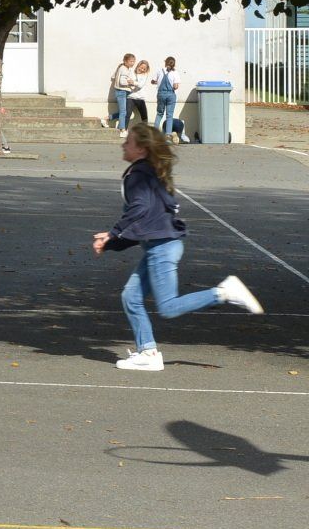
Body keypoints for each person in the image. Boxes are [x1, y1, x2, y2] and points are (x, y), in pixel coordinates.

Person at [97, 122, 262, 370]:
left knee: (169, 307)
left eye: (128, 141)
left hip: (162, 248)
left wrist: (113, 233)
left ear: (141, 149)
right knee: (131, 296)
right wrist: (111, 243)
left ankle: (224, 292)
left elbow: (139, 210)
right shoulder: (149, 172)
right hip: (160, 245)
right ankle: (149, 354)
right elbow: (146, 223)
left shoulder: (138, 176)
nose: (123, 144)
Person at [155, 56, 183, 137]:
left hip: (161, 94)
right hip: (170, 95)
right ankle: (168, 134)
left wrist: (156, 82)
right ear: (174, 64)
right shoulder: (175, 73)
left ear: (165, 62)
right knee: (169, 115)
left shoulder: (159, 71)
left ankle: (154, 133)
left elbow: (153, 81)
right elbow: (175, 87)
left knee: (159, 113)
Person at [110, 52, 137, 132]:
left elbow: (113, 77)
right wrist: (131, 82)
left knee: (123, 111)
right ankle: (122, 129)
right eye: (131, 61)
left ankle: (107, 118)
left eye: (133, 61)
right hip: (122, 92)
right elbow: (122, 82)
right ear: (125, 61)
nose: (133, 63)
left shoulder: (120, 67)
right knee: (123, 111)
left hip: (120, 91)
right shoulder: (124, 69)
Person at [129, 58, 153, 126]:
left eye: (144, 69)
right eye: (141, 67)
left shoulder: (144, 75)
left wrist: (133, 82)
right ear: (138, 65)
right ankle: (108, 118)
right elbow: (129, 83)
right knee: (125, 114)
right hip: (130, 97)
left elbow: (140, 85)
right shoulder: (131, 72)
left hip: (140, 98)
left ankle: (145, 132)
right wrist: (135, 84)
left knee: (145, 118)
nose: (142, 70)